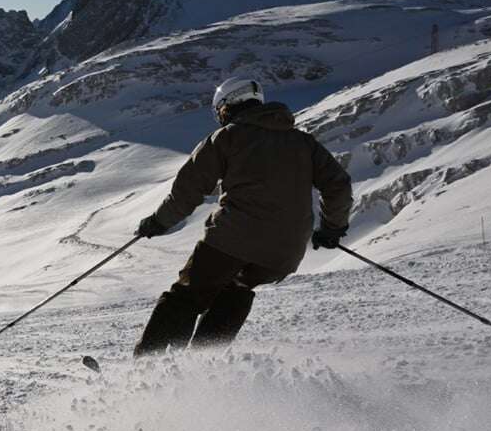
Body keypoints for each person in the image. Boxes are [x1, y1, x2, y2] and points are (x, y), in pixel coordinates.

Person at [132, 77, 352, 357]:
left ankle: (147, 367)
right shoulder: (303, 142)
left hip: (233, 239)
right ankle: (201, 367)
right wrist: (332, 228)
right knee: (236, 290)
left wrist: (158, 221)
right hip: (284, 253)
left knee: (187, 295)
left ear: (226, 107)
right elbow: (338, 185)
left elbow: (188, 190)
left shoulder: (227, 137)